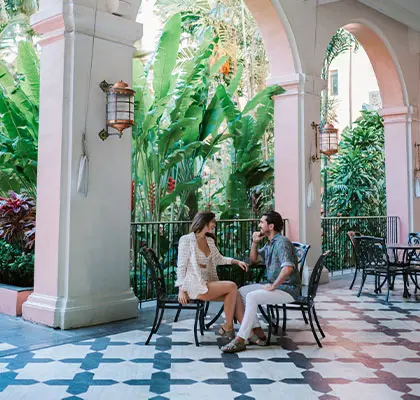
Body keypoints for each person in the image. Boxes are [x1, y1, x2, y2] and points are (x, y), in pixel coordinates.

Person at [221, 210, 301, 353]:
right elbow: (253, 260)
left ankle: (240, 339)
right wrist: (254, 243)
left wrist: (274, 286)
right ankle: (257, 331)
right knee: (241, 292)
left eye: (261, 222)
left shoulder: (282, 242)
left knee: (252, 296)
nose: (259, 225)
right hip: (276, 287)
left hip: (287, 289)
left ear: (271, 227)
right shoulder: (271, 243)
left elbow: (288, 268)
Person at [176, 211, 248, 339]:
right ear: (204, 222)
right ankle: (228, 327)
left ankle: (246, 331)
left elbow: (219, 259)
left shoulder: (209, 240)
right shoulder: (186, 240)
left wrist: (236, 261)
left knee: (234, 293)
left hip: (208, 282)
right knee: (232, 286)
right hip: (194, 285)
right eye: (213, 221)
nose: (215, 224)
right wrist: (181, 290)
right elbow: (181, 267)